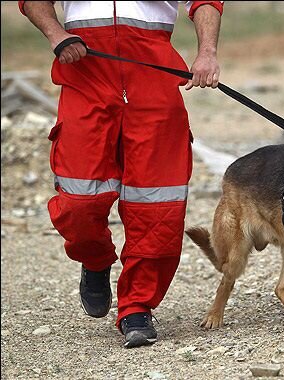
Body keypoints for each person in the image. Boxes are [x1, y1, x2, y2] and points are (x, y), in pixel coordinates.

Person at [19, 0, 223, 348]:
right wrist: (56, 34)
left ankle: (137, 308)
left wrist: (207, 53)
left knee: (158, 206)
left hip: (153, 79)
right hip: (85, 75)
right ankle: (95, 259)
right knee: (78, 202)